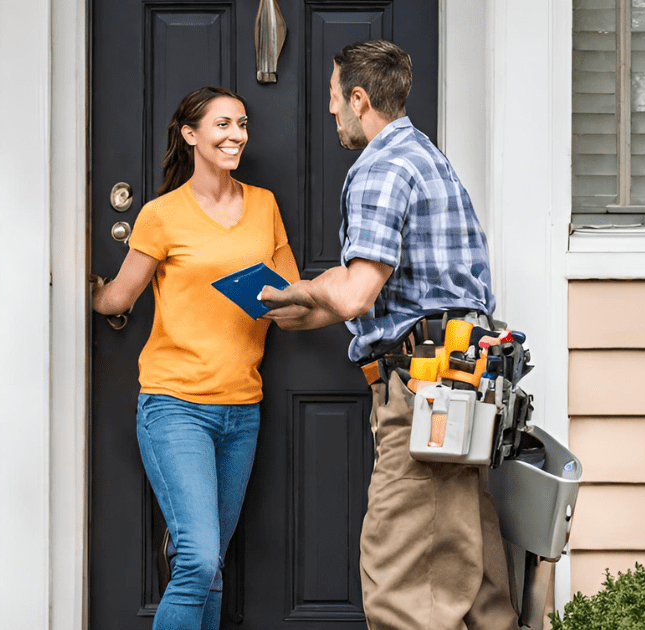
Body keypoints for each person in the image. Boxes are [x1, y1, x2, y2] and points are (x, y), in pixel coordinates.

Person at [261, 41, 519, 630]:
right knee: (472, 580)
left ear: (358, 98)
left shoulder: (378, 167)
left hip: (421, 394)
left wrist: (304, 289)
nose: (330, 113)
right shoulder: (427, 157)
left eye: (333, 99)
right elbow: (402, 295)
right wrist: (304, 308)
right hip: (463, 384)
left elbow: (355, 293)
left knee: (400, 581)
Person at [92, 86, 300, 630]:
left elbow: (294, 295)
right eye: (224, 125)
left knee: (210, 567)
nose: (238, 136)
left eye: (243, 125)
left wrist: (277, 299)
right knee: (199, 560)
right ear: (191, 135)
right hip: (176, 405)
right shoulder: (161, 215)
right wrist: (93, 293)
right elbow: (120, 297)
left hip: (242, 408)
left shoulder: (264, 205)